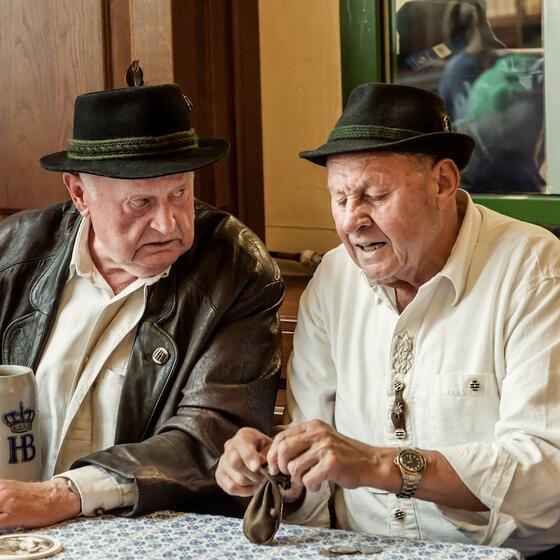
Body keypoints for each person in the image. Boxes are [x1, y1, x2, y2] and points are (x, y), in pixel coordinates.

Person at [216, 83, 560, 558]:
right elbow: (312, 468)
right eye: (339, 199)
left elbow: (547, 471)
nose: (352, 221)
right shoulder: (334, 278)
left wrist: (382, 465)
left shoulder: (534, 269)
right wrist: (280, 473)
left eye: (374, 195)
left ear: (443, 183)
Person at [0, 66, 283, 527]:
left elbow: (210, 434)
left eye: (180, 193)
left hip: (153, 530)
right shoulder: (13, 253)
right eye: (140, 203)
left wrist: (64, 495)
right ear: (79, 193)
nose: (169, 224)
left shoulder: (236, 269)